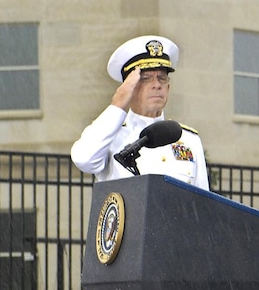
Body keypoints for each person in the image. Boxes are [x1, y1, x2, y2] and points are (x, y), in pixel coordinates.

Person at [71, 34, 208, 190]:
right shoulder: (111, 135)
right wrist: (117, 105)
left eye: (162, 78)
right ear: (129, 87)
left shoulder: (188, 139)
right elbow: (84, 159)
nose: (157, 85)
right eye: (146, 78)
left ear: (168, 87)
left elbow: (203, 202)